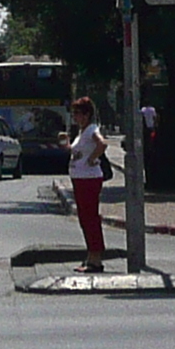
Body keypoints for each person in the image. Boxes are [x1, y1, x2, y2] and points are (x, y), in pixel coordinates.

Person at [68, 96, 111, 271]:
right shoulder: (82, 132)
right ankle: (91, 256)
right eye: (74, 113)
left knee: (90, 218)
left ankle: (96, 257)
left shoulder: (92, 129)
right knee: (84, 218)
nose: (75, 117)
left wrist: (92, 159)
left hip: (89, 179)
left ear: (87, 115)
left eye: (78, 113)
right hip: (80, 178)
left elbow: (102, 143)